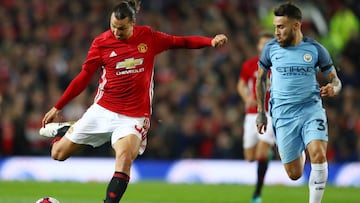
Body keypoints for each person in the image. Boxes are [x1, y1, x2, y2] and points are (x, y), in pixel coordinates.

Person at [39, 1, 228, 203]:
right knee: (57, 154)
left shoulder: (148, 37)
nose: (116, 32)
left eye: (121, 28)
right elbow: (84, 77)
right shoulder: (101, 43)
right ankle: (66, 129)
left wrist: (210, 41)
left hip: (132, 117)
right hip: (103, 109)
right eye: (113, 26)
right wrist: (58, 106)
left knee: (124, 159)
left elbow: (180, 41)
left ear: (133, 23)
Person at [255, 2, 342, 203]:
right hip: (282, 114)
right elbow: (260, 78)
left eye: (281, 27)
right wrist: (261, 111)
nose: (276, 32)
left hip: (310, 109)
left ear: (296, 26)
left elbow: (335, 80)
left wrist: (333, 88)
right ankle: (300, 149)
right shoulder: (270, 49)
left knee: (319, 154)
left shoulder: (315, 49)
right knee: (294, 174)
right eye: (275, 27)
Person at [237, 31, 275, 203]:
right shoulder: (250, 65)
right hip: (251, 114)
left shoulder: (278, 66)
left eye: (269, 43)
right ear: (258, 46)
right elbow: (241, 84)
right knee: (250, 157)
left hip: (270, 113)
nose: (265, 46)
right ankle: (268, 155)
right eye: (263, 43)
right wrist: (246, 98)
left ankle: (257, 194)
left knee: (261, 151)